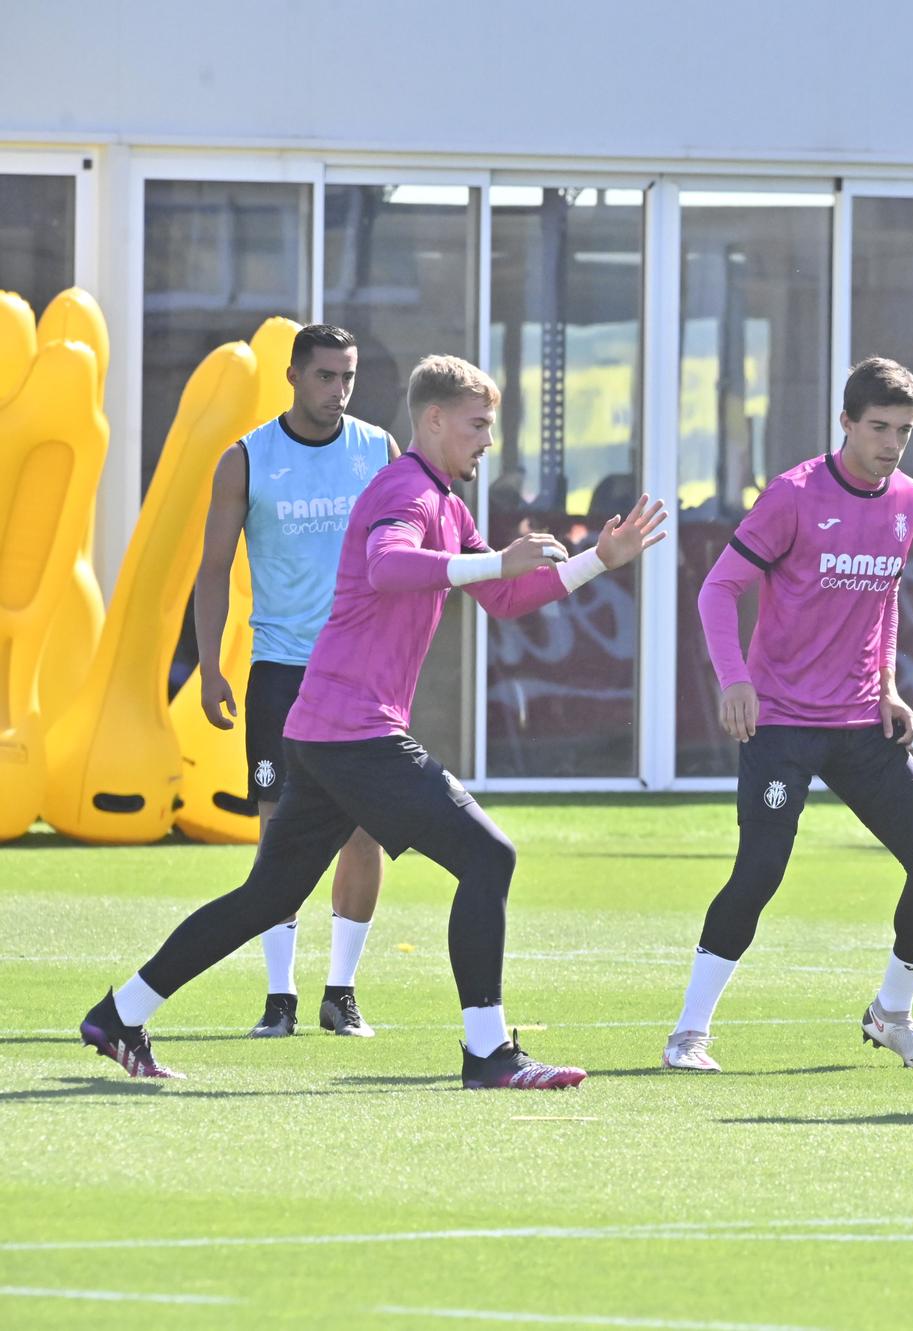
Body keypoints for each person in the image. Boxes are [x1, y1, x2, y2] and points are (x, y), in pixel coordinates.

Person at [80, 355, 667, 1088]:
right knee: (490, 858)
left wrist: (597, 561)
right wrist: (494, 564)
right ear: (433, 421)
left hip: (327, 728)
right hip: (354, 731)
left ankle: (120, 1012)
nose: (489, 440)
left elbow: (505, 599)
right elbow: (391, 567)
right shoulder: (404, 490)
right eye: (479, 424)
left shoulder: (446, 504)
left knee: (266, 897)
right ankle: (487, 1052)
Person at [665, 358, 913, 1073]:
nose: (891, 443)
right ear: (846, 424)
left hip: (862, 722)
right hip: (783, 723)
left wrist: (888, 685)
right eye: (879, 427)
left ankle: (892, 1012)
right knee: (761, 870)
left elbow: (883, 598)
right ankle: (687, 1034)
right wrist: (735, 680)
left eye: (904, 430)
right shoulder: (793, 495)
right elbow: (718, 589)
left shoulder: (910, 499)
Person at [193, 323, 395, 1040]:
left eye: (348, 376)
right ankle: (279, 995)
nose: (338, 390)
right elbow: (213, 568)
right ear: (292, 375)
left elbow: (411, 558)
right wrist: (211, 663)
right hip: (279, 668)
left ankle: (341, 992)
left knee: (365, 827)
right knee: (278, 831)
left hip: (361, 671)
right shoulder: (247, 458)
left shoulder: (378, 451)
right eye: (325, 376)